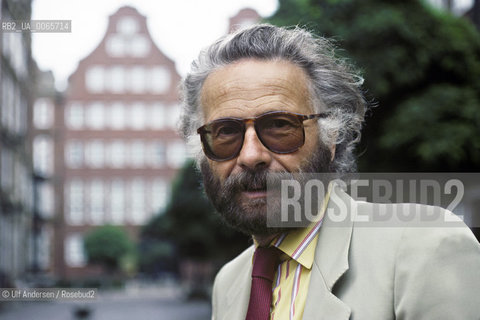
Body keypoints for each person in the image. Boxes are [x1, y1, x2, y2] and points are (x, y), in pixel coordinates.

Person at [179, 24, 480, 320]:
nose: (251, 155)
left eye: (280, 125)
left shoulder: (425, 248)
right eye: (225, 132)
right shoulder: (229, 282)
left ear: (332, 138)